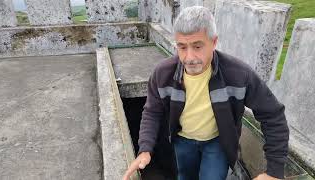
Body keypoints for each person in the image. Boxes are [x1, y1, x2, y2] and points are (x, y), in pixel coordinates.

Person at [123, 6, 289, 180]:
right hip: (182, 141)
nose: (189, 57)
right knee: (185, 176)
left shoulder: (239, 75)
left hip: (218, 143)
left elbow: (272, 115)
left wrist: (274, 171)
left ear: (214, 42)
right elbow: (152, 112)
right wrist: (145, 149)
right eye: (182, 47)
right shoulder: (162, 74)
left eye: (197, 46)